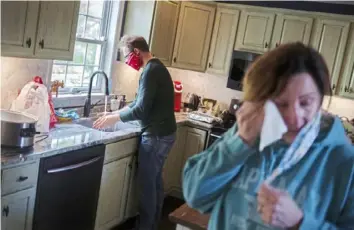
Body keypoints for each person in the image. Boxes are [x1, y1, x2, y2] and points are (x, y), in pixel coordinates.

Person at [182, 42, 354, 229]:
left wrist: (300, 223)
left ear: (320, 100)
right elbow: (195, 196)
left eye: (305, 103)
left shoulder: (344, 162)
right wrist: (240, 142)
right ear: (262, 101)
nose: (294, 118)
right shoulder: (248, 134)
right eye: (281, 103)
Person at [94, 35, 177, 230]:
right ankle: (152, 224)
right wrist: (115, 112)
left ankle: (145, 227)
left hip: (156, 136)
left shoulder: (150, 71)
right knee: (155, 183)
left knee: (148, 186)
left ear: (137, 52)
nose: (127, 60)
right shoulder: (156, 68)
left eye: (127, 55)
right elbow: (138, 103)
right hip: (164, 133)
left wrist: (114, 118)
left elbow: (140, 110)